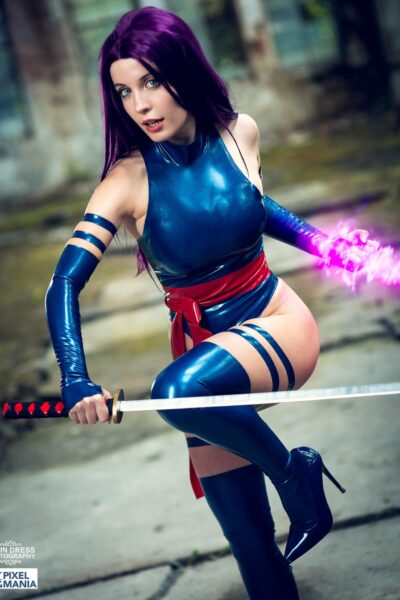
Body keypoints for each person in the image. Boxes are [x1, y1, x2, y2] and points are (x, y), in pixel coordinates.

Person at [45, 7, 371, 599]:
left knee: (175, 393)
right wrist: (75, 378)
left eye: (151, 82)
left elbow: (255, 209)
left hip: (276, 322)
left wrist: (330, 248)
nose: (140, 105)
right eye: (124, 91)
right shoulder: (125, 181)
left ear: (184, 70)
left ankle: (295, 475)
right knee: (248, 537)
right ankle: (294, 482)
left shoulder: (239, 132)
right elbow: (63, 283)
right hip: (203, 356)